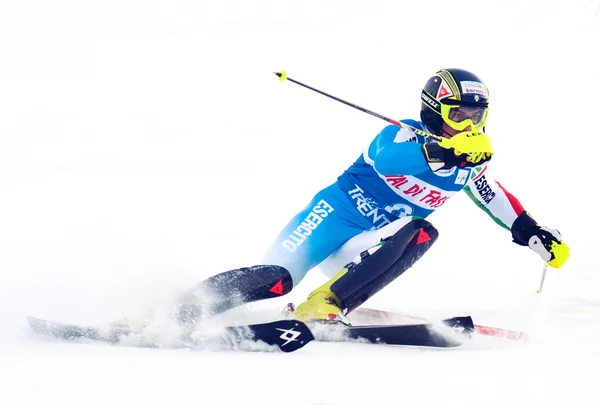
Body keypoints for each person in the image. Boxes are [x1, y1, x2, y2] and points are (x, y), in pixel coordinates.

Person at [174, 68, 570, 327]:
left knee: (421, 231)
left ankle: (325, 305)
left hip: (365, 248)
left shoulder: (469, 166)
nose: (468, 125)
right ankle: (181, 307)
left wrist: (533, 233)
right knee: (277, 280)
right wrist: (444, 152)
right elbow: (388, 160)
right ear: (435, 112)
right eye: (459, 115)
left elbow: (495, 197)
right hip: (330, 219)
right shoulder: (405, 134)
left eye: (476, 117)